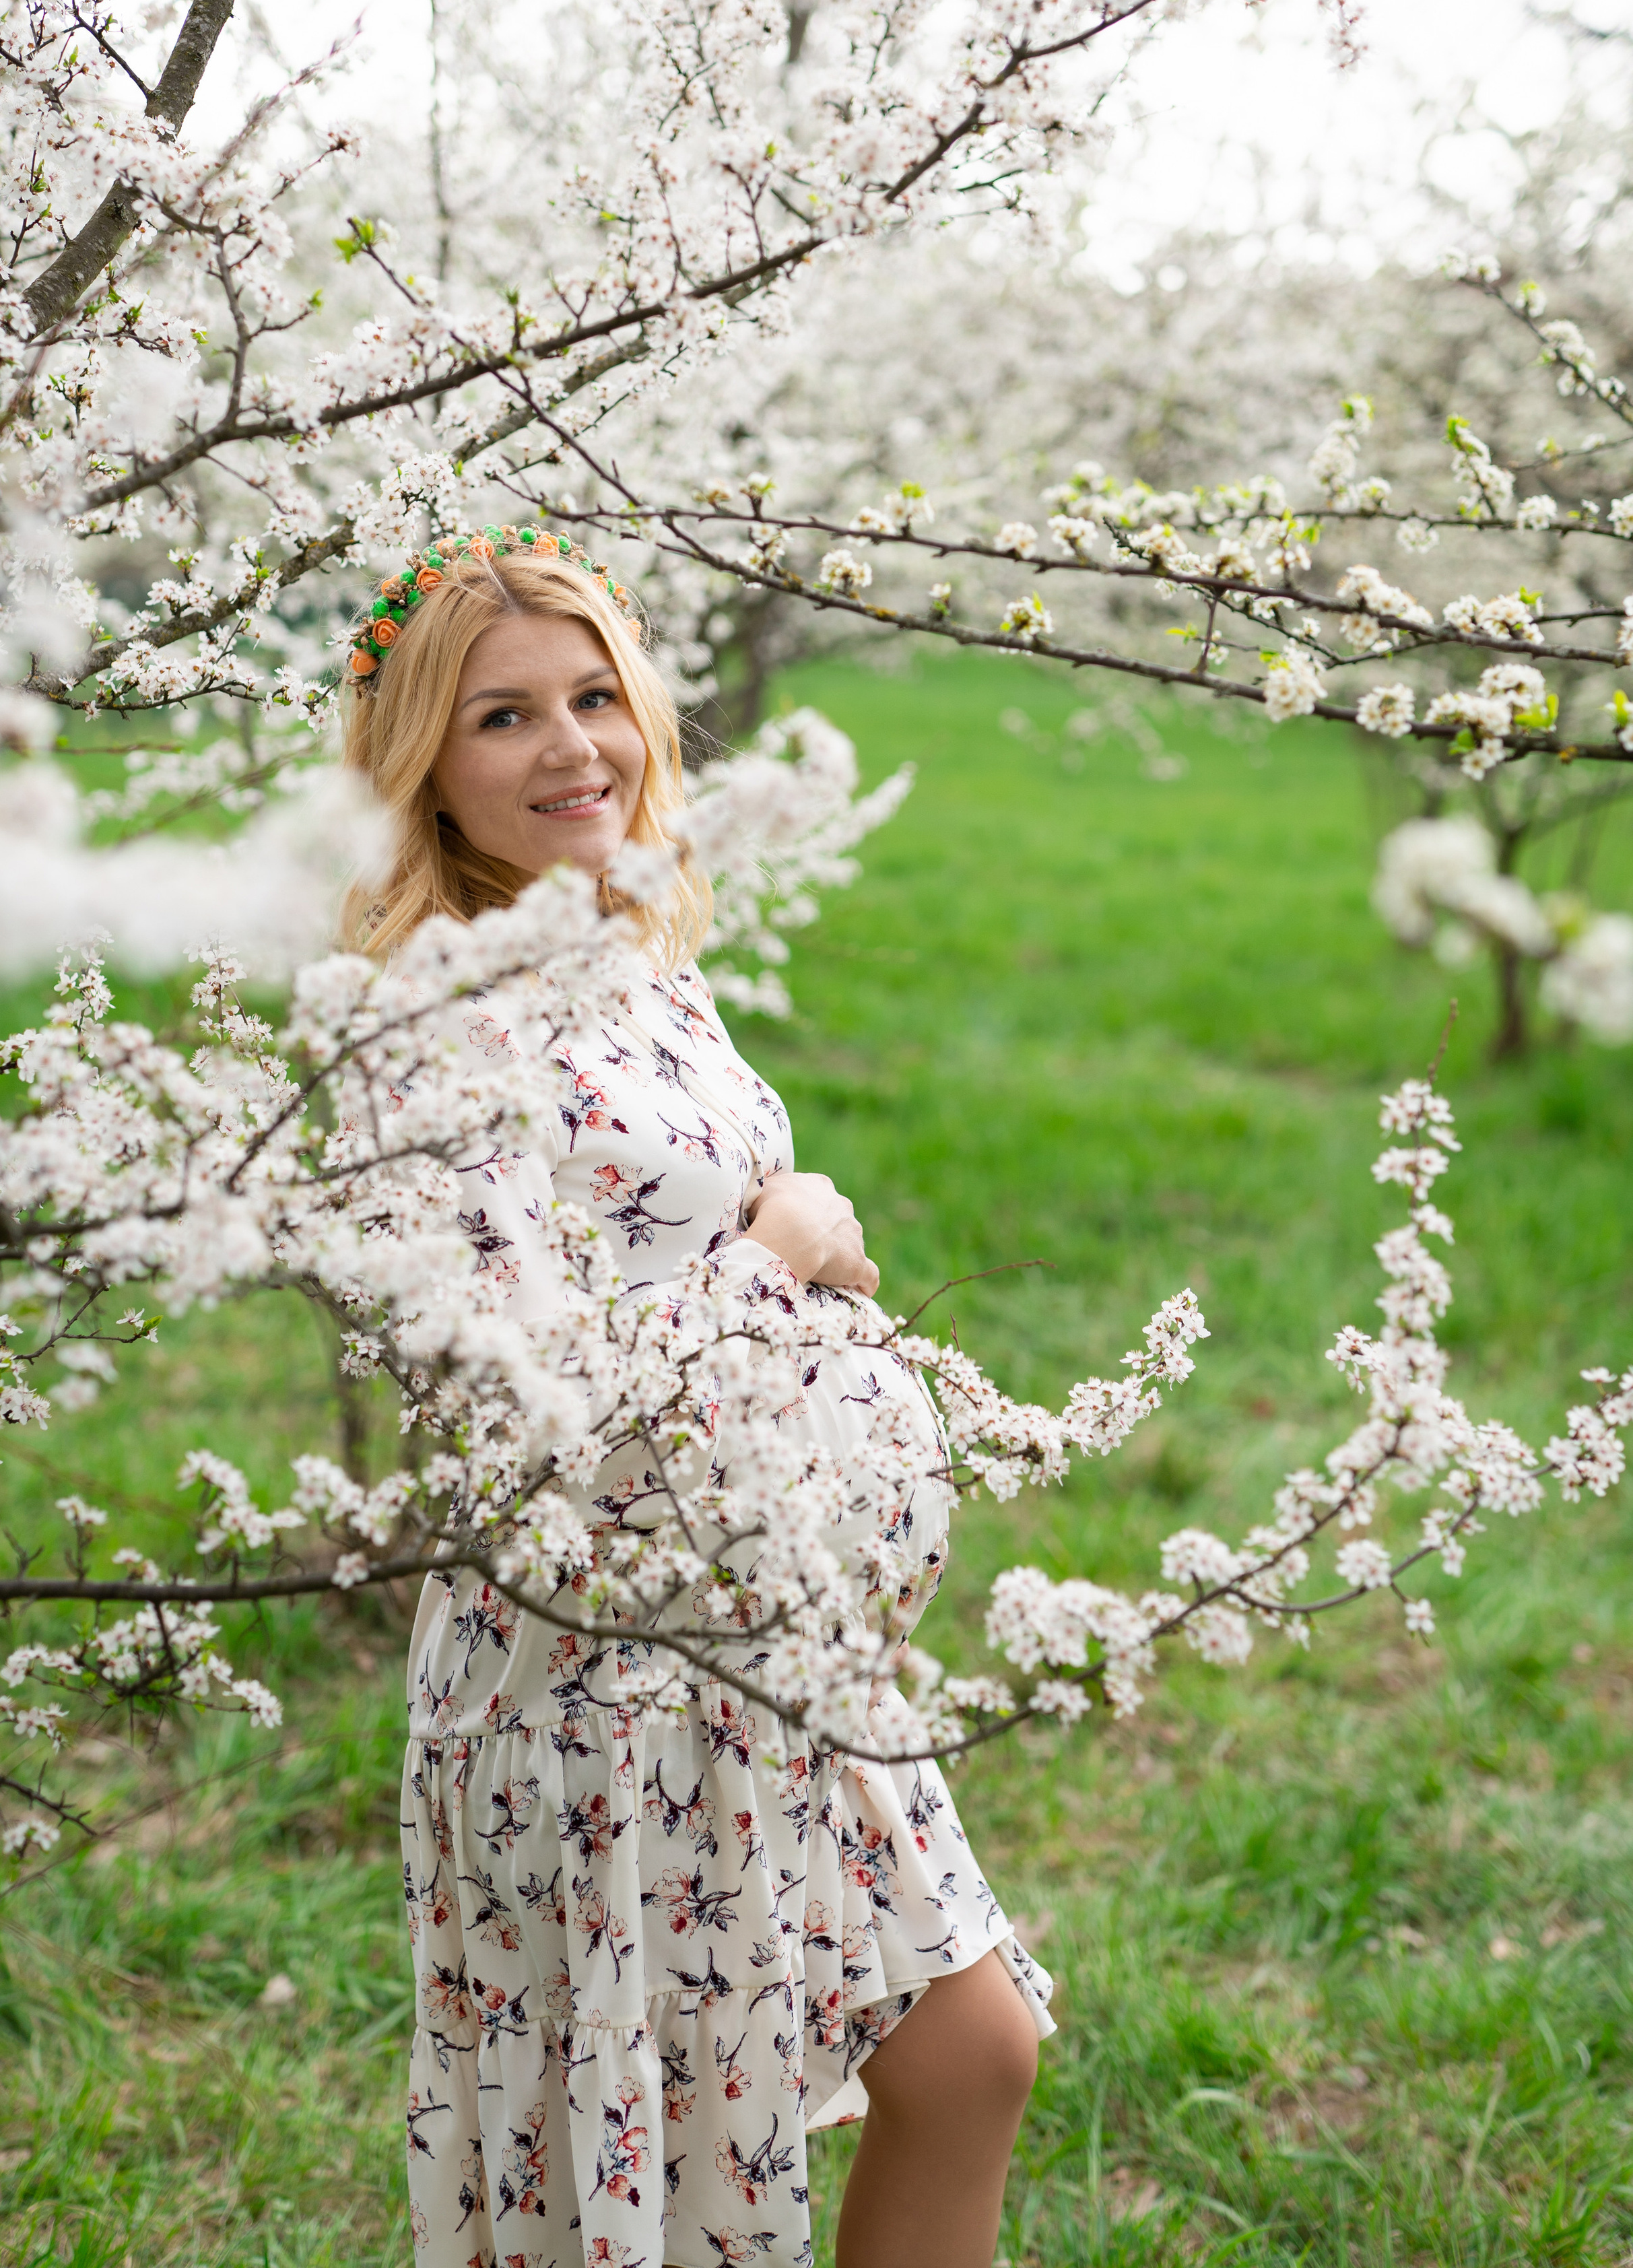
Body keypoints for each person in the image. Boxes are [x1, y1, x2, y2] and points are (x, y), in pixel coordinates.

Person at [343, 528, 1053, 2268]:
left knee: (972, 2052)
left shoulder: (630, 944)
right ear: (423, 762)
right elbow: (519, 1421)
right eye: (504, 716)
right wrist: (778, 1258)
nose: (571, 746)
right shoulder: (424, 1033)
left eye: (596, 696)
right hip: (599, 1679)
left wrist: (807, 1259)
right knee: (654, 2189)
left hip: (772, 1645)